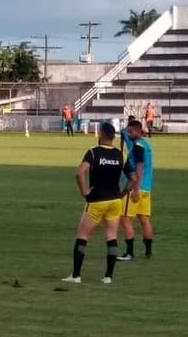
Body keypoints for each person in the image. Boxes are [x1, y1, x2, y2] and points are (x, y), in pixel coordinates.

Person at [62, 122, 135, 285]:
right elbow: (133, 178)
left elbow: (79, 173)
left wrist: (84, 191)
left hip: (97, 200)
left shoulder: (93, 153)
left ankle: (76, 275)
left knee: (82, 236)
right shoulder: (120, 155)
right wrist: (122, 193)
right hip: (115, 201)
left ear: (101, 135)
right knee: (111, 236)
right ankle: (108, 276)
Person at [118, 120, 154, 261]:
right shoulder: (146, 144)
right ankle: (148, 252)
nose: (129, 134)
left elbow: (140, 167)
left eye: (131, 131)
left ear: (138, 131)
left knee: (125, 218)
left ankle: (130, 253)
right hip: (147, 187)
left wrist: (135, 189)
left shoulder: (138, 146)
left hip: (136, 187)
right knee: (144, 219)